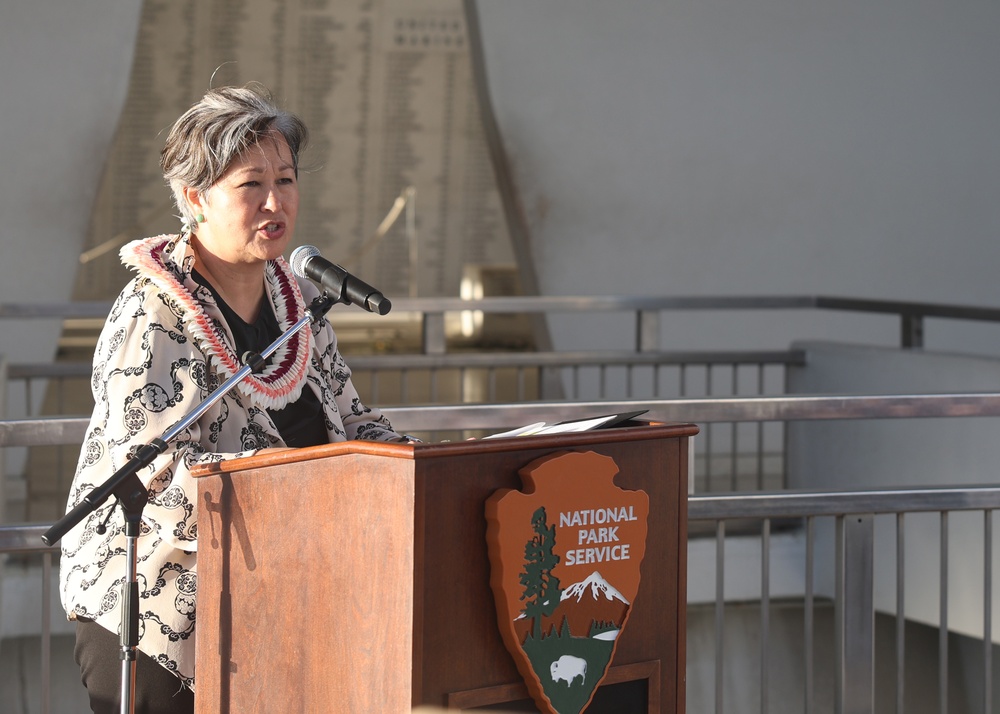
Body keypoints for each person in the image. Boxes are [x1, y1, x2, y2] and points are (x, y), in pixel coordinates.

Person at [59, 83, 407, 713]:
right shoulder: (152, 311)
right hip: (163, 613)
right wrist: (305, 498)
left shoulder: (299, 304)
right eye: (251, 184)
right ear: (195, 198)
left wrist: (412, 467)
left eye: (287, 179)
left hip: (284, 598)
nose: (276, 202)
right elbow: (160, 480)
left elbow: (350, 419)